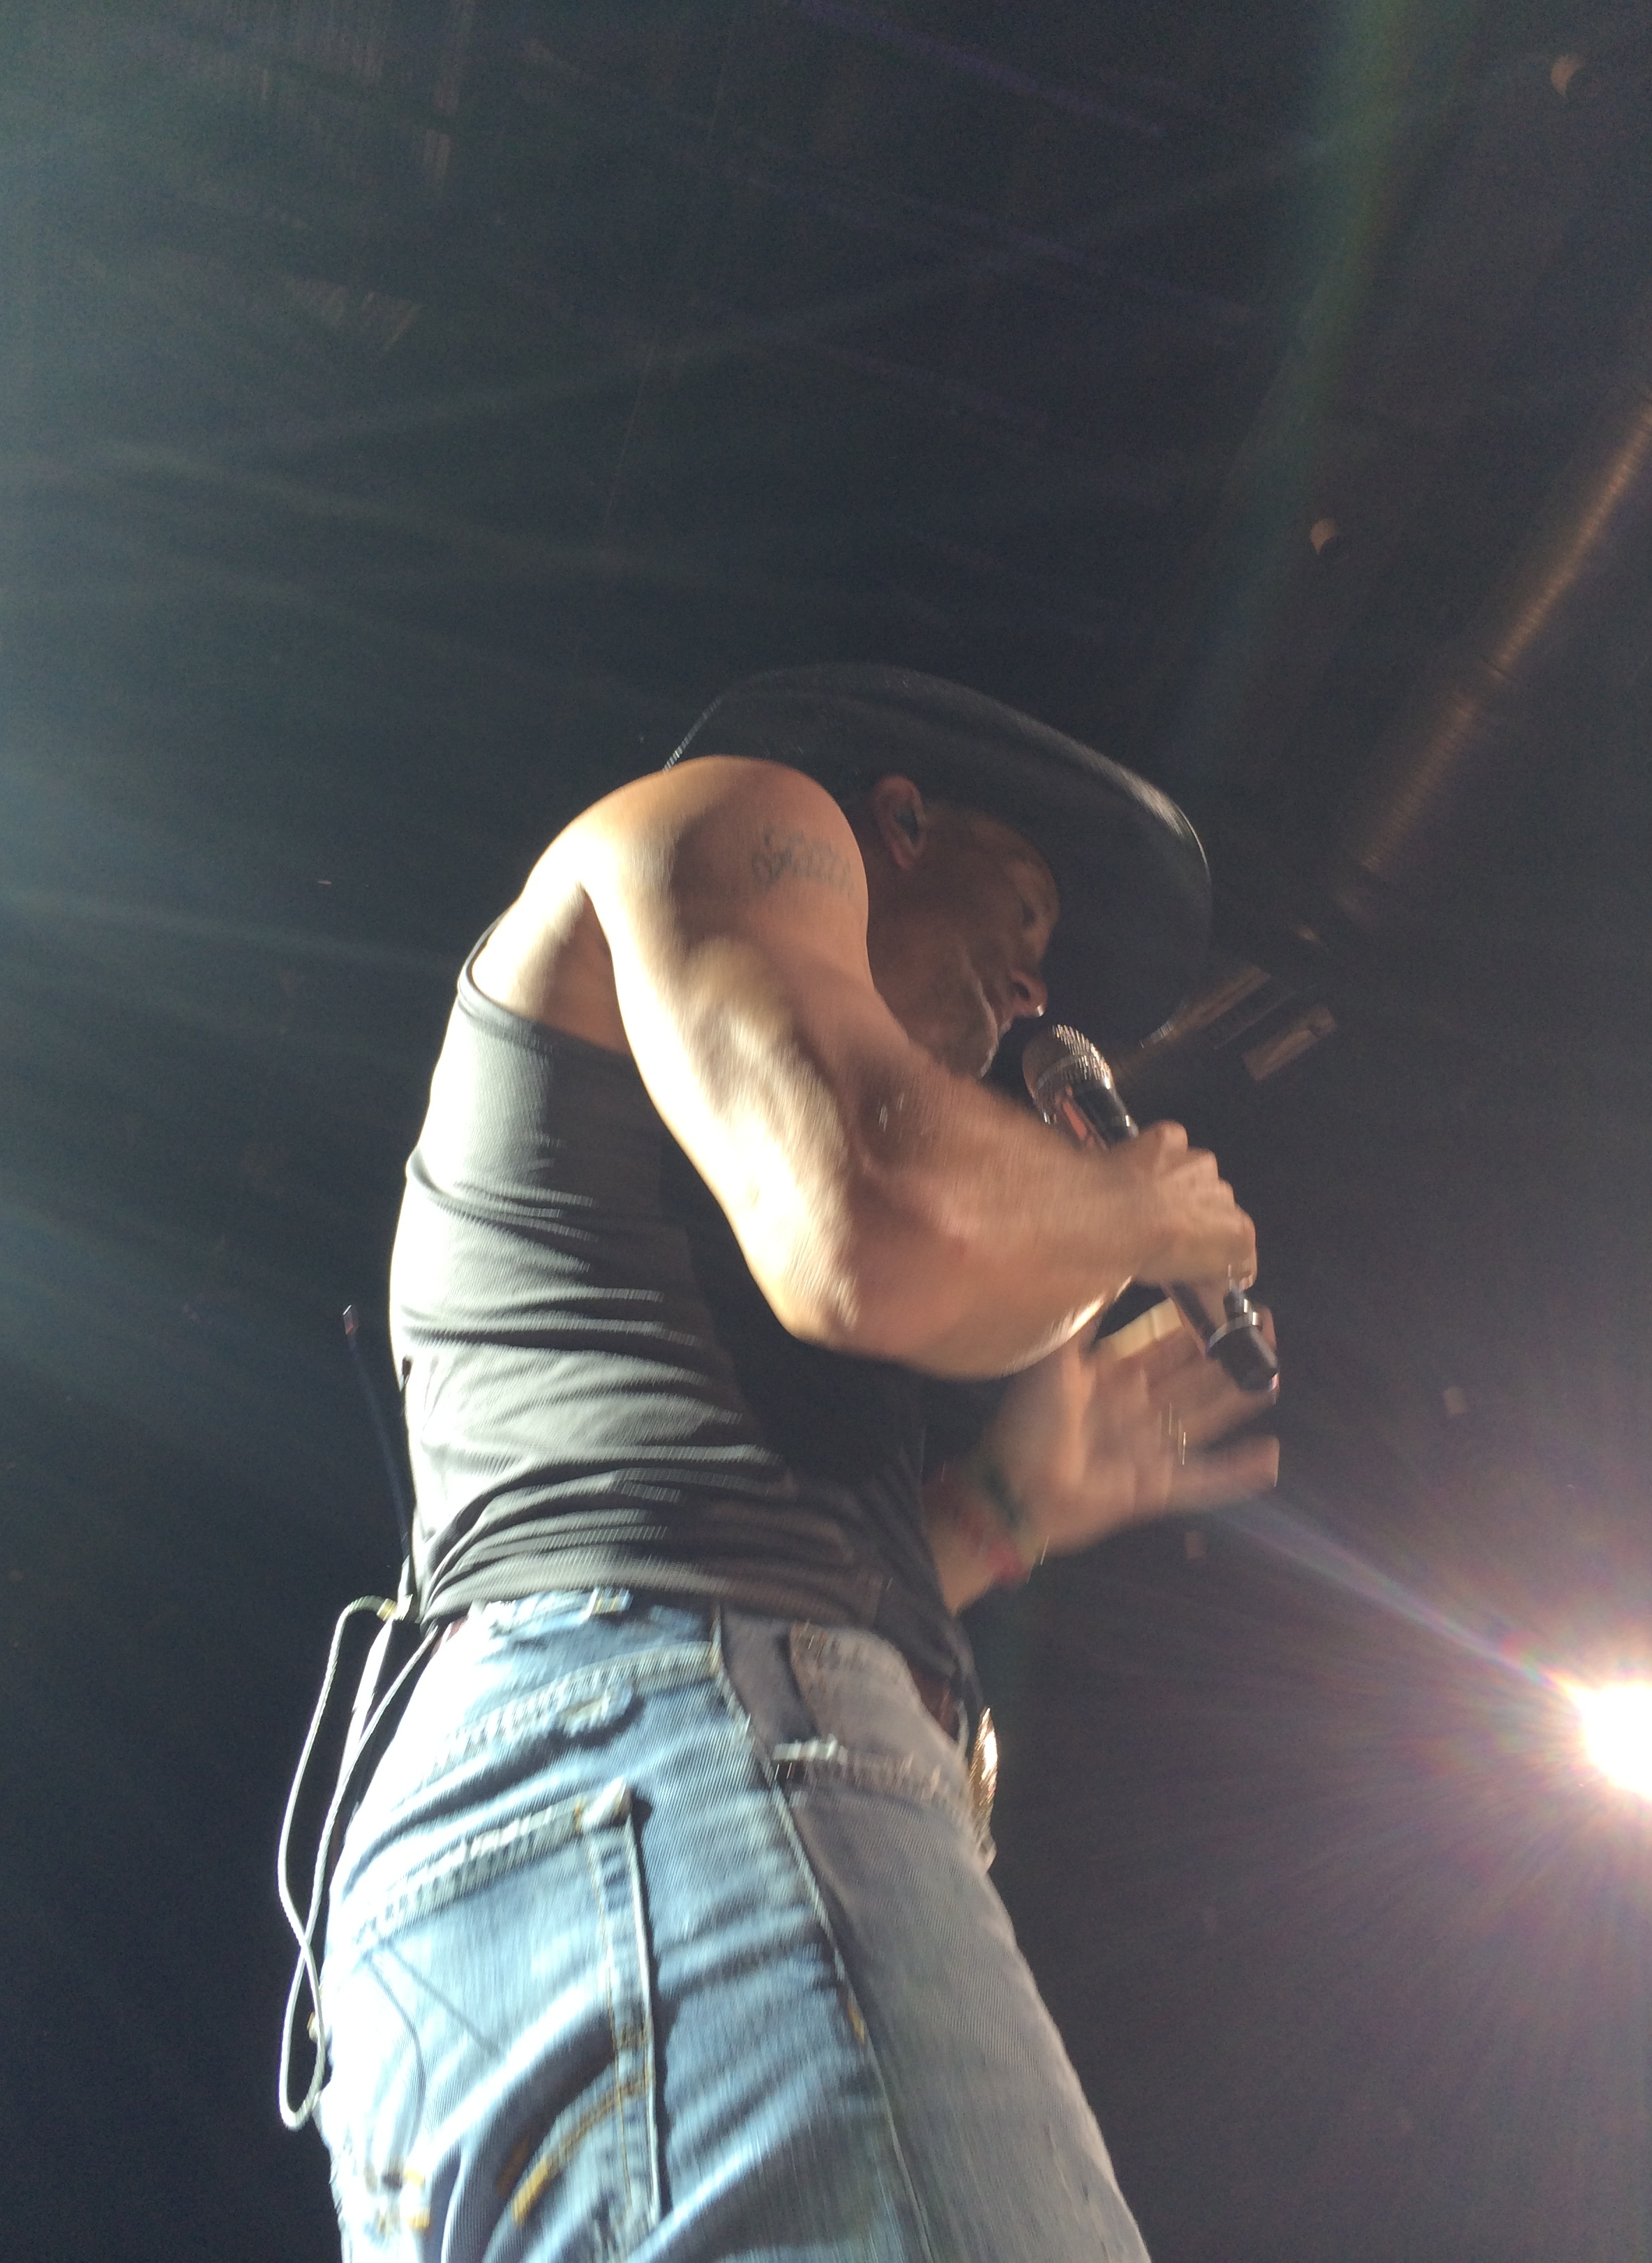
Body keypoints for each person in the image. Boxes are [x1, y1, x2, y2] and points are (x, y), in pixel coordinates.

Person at [314, 666, 1278, 2262]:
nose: (1037, 987)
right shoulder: (745, 816)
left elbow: (692, 1498)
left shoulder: (656, 1178)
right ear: (897, 823)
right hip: (658, 1761)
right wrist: (1142, 1209)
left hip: (498, 1902)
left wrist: (1004, 1513)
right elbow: (870, 1221)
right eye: (1022, 911)